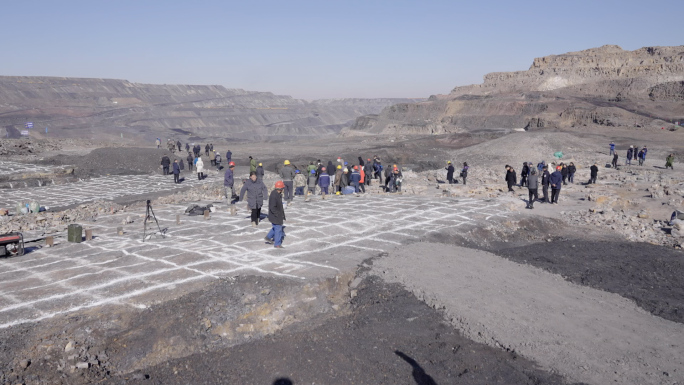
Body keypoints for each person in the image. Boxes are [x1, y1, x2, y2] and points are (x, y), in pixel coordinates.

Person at [265, 181, 286, 248]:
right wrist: (278, 214)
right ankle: (277, 244)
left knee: (275, 227)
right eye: (282, 188)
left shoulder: (277, 194)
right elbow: (272, 207)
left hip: (275, 215)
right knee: (278, 229)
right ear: (280, 189)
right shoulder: (274, 195)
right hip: (275, 216)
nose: (283, 189)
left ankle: (268, 237)